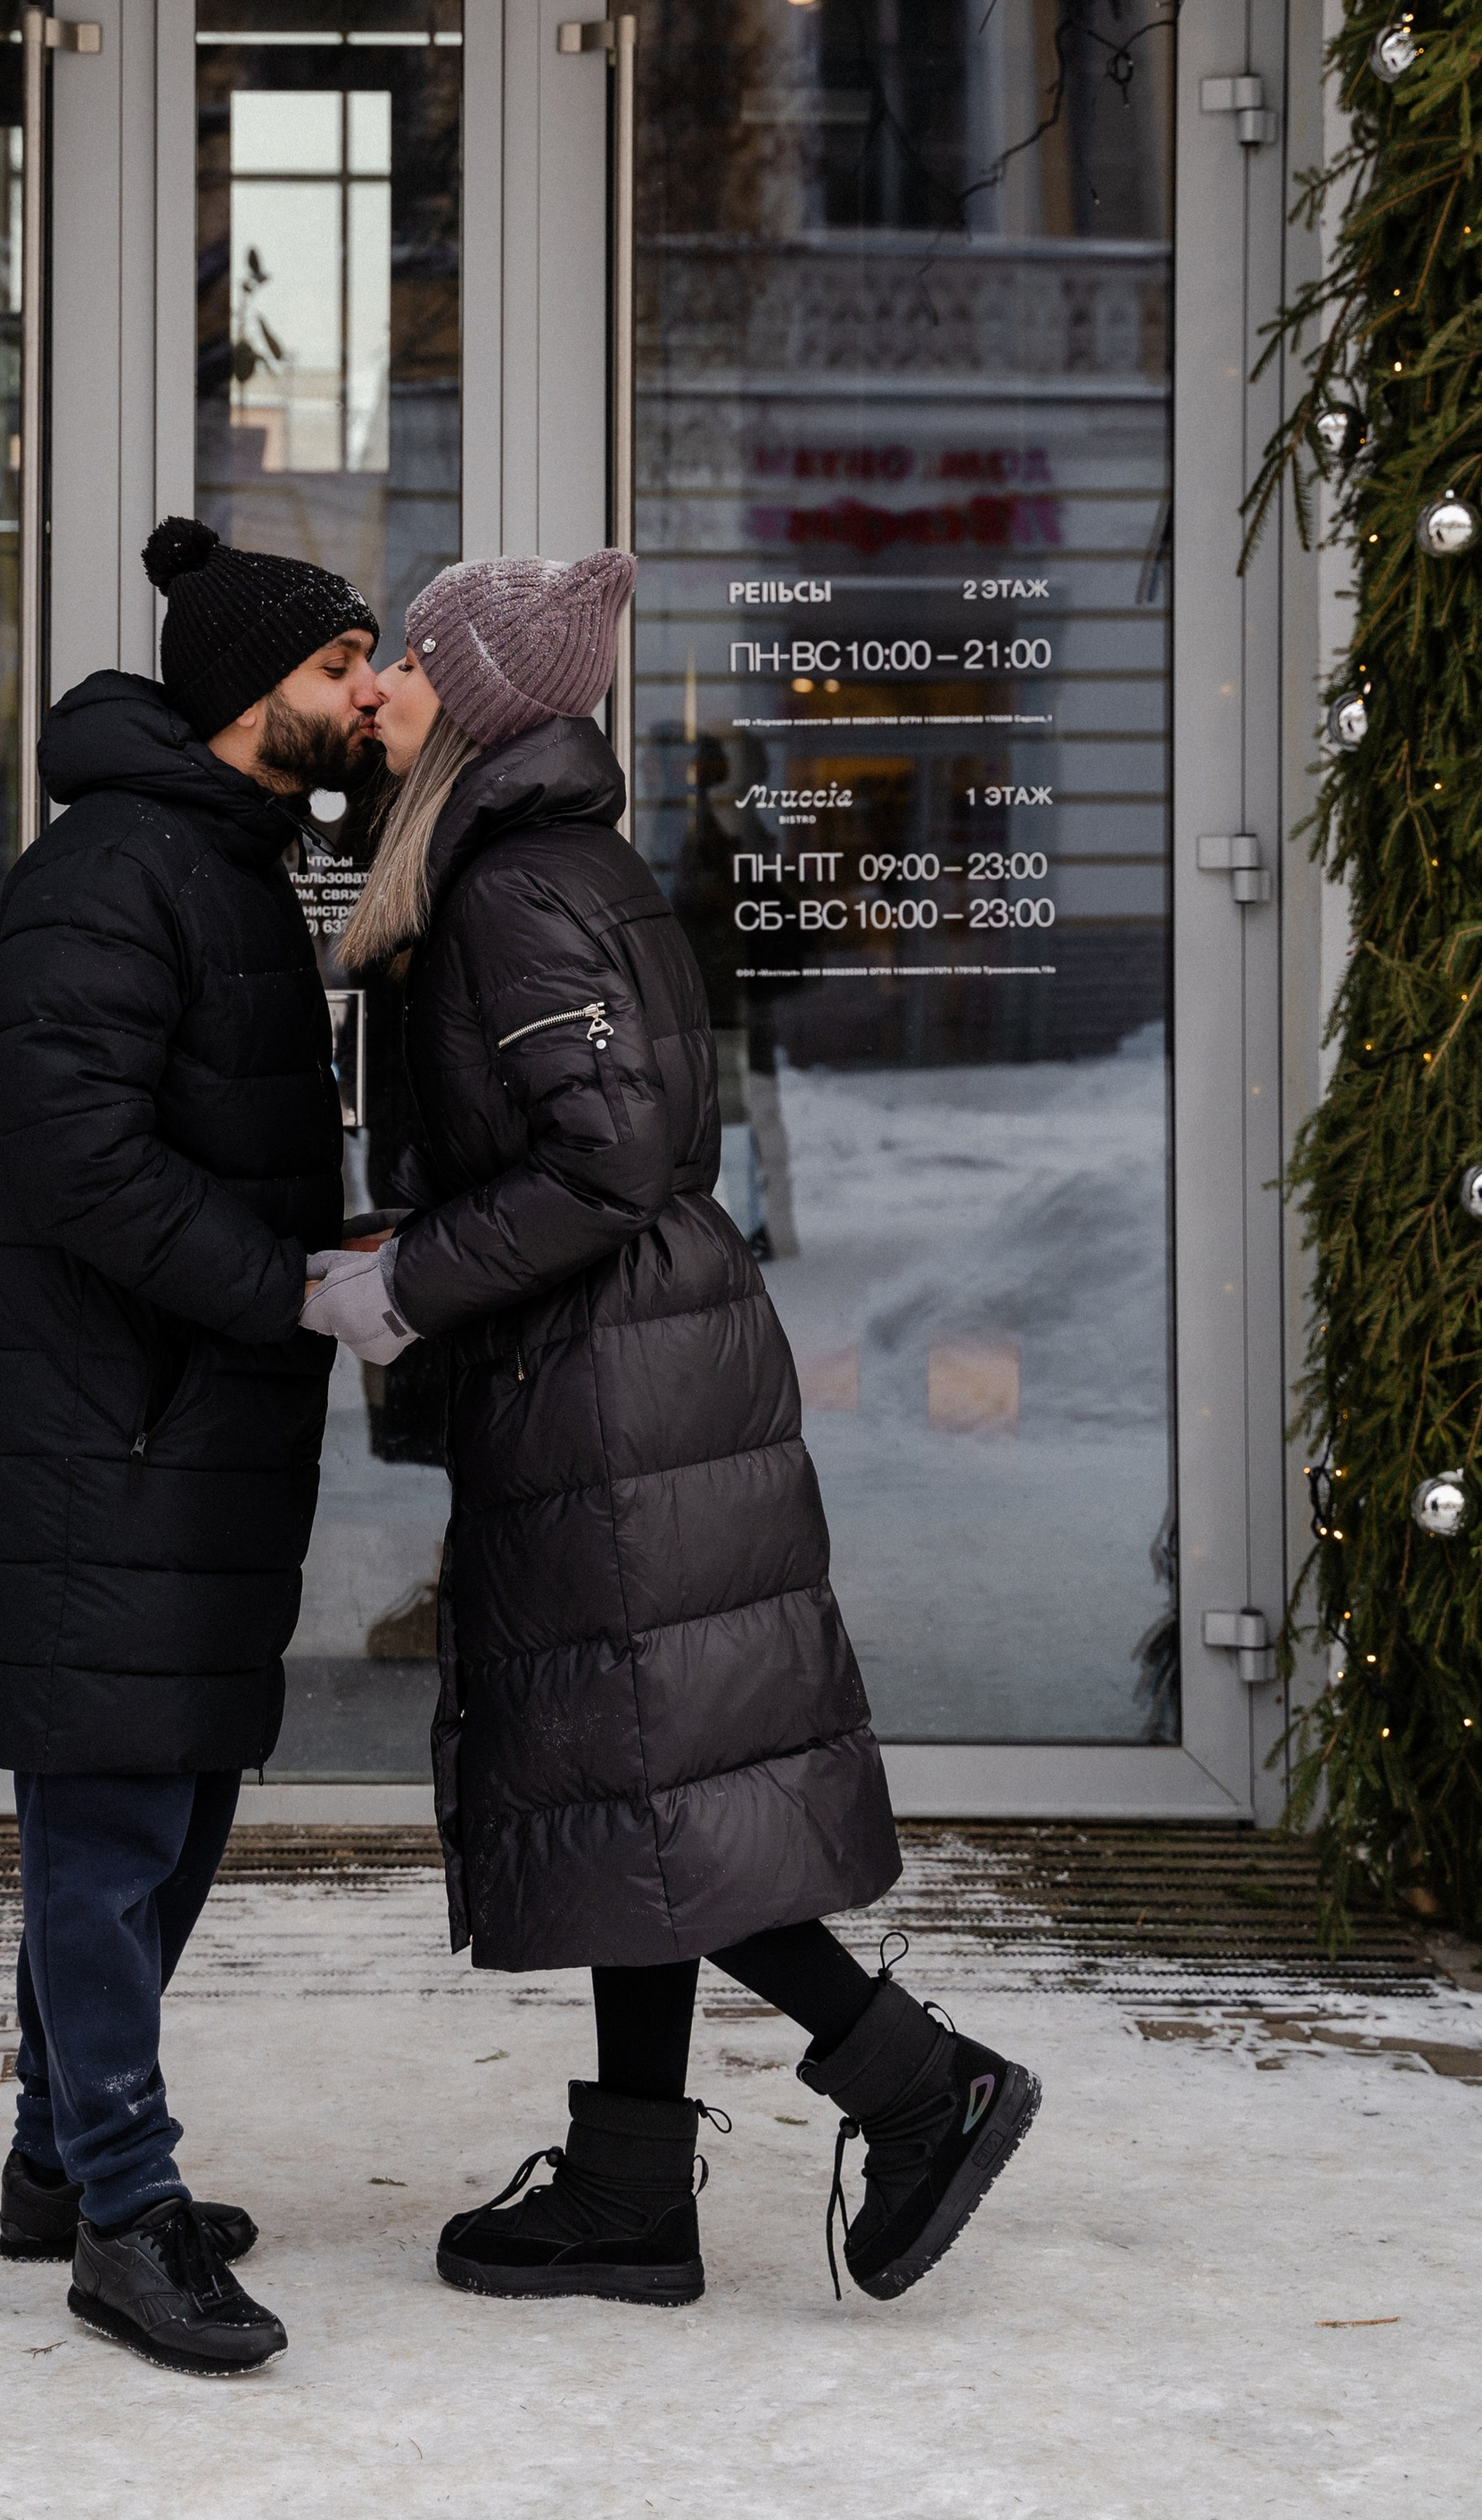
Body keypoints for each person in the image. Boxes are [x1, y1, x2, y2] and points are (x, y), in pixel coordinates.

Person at [305, 549, 1039, 2309]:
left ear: (475, 699)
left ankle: (919, 2081)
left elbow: (610, 1156)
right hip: (608, 1367)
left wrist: (405, 1278)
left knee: (641, 1775)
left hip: (606, 1379)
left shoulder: (513, 881)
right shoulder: (523, 858)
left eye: (409, 658)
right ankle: (632, 2186)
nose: (379, 688)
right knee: (626, 1776)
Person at [0, 515, 383, 2377]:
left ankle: (60, 2157)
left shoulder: (214, 856)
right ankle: (121, 2212)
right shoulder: (114, 868)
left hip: (178, 1417)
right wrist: (286, 1285)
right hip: (107, 1419)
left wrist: (324, 1249)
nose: (366, 698)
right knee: (113, 1817)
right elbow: (80, 1156)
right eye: (337, 670)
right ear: (246, 699)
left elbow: (198, 1136)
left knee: (170, 1797)